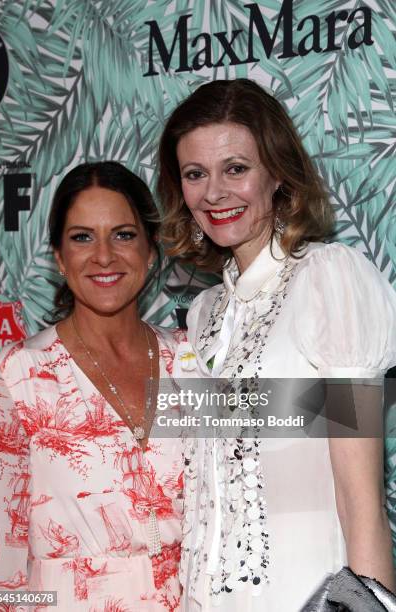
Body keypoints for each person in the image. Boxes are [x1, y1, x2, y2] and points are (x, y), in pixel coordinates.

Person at [157, 79, 396, 611]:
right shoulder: (203, 315)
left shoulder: (331, 281)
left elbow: (362, 506)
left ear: (277, 174)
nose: (214, 192)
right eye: (195, 174)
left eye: (235, 169)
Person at [0, 161, 185, 611]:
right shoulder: (20, 374)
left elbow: (328, 419)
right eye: (82, 237)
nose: (103, 256)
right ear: (59, 257)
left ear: (151, 250)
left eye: (123, 234)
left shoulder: (192, 358)